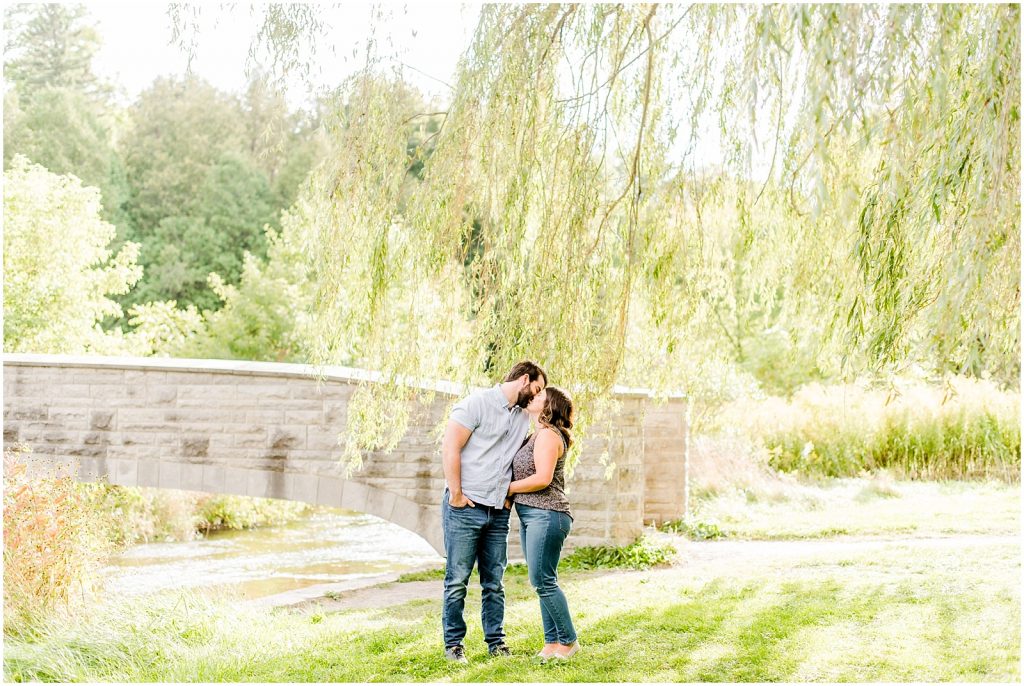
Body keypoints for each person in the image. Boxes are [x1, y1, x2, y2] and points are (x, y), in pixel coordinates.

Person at [440, 360, 547, 663]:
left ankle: (496, 643)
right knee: (458, 579)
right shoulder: (476, 403)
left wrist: (508, 500)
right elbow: (450, 448)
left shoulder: (523, 416)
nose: (536, 397)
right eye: (535, 390)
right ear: (524, 379)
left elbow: (515, 457)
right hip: (465, 507)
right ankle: (454, 645)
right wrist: (457, 494)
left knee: (494, 582)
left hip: (498, 511)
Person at [508, 385, 580, 660]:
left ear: (549, 407)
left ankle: (568, 641)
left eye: (540, 396)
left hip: (547, 514)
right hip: (531, 514)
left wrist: (507, 488)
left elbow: (542, 478)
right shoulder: (536, 435)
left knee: (543, 580)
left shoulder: (549, 436)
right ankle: (552, 642)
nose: (534, 397)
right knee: (540, 580)